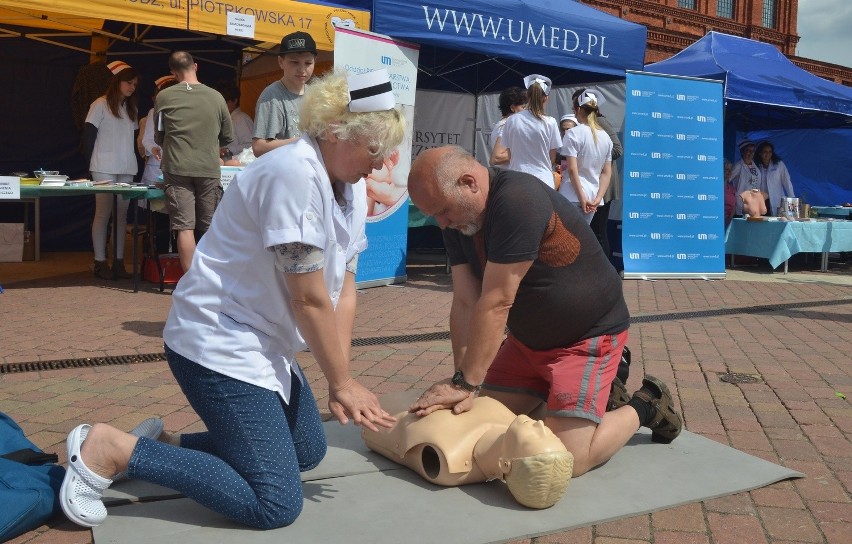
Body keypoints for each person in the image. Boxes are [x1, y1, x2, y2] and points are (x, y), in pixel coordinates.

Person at [58, 68, 406, 530]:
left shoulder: (352, 186)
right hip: (216, 340)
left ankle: (168, 443)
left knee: (307, 449)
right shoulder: (292, 175)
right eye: (375, 150)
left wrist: (340, 376)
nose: (381, 165)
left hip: (264, 338)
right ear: (337, 132)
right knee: (275, 504)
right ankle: (111, 449)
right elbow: (308, 299)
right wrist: (340, 383)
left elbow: (341, 292)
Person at [406, 146, 682, 478]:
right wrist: (460, 381)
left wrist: (467, 383)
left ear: (469, 183)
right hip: (527, 344)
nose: (441, 223)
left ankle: (646, 403)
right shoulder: (458, 221)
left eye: (443, 211)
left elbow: (496, 301)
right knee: (479, 419)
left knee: (567, 457)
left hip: (586, 338)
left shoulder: (516, 200)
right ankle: (589, 398)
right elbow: (466, 301)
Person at [362, 390, 573, 509]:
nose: (539, 425)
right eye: (548, 433)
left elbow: (390, 432)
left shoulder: (448, 460)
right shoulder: (511, 424)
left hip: (390, 408)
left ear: (505, 463)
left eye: (536, 436)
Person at [155, 51, 233, 272]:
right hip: (208, 168)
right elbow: (227, 136)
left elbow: (159, 136)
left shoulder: (164, 97)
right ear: (195, 66)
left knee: (184, 226)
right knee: (209, 227)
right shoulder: (216, 97)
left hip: (177, 167)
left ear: (172, 72)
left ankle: (190, 281)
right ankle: (210, 279)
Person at [81, 60, 140, 280]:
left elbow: (132, 139)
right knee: (103, 213)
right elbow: (87, 136)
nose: (132, 87)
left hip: (126, 167)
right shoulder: (100, 104)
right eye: (128, 82)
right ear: (117, 81)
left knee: (122, 216)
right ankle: (99, 261)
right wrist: (91, 164)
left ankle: (118, 262)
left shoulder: (130, 108)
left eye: (134, 84)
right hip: (103, 167)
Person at [252, 31, 316, 158]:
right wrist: (301, 142)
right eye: (294, 62)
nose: (302, 69)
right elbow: (258, 147)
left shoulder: (316, 95)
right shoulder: (272, 97)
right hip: (284, 173)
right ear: (281, 62)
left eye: (308, 63)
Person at [558, 89, 613, 225]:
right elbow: (607, 173)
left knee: (566, 241)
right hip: (592, 198)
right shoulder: (606, 138)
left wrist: (582, 199)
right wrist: (598, 198)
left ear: (578, 109)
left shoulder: (573, 134)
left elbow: (572, 170)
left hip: (571, 196)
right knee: (581, 241)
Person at [501, 74, 562, 188]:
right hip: (544, 180)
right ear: (546, 98)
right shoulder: (550, 122)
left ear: (527, 95)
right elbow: (552, 157)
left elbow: (510, 154)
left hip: (517, 180)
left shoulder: (511, 120)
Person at [138, 75, 177, 186]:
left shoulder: (187, 112)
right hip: (156, 167)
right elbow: (147, 139)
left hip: (179, 168)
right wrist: (153, 148)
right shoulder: (154, 111)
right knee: (155, 202)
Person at [214, 79, 255, 160]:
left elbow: (252, 145)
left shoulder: (242, 118)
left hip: (238, 167)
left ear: (234, 101)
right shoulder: (225, 119)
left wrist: (228, 150)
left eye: (223, 102)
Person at [488, 86, 526, 166]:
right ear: (512, 108)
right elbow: (496, 158)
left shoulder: (506, 124)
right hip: (509, 176)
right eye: (523, 107)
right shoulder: (507, 125)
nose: (526, 111)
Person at [756, 140, 795, 216]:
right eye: (765, 152)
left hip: (776, 200)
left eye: (770, 151)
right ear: (760, 153)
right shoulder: (756, 166)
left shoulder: (779, 164)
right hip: (761, 201)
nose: (768, 154)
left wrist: (792, 201)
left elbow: (787, 183)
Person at [730, 140, 762, 215]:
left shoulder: (755, 167)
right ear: (742, 152)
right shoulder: (738, 166)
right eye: (748, 150)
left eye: (753, 151)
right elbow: (727, 179)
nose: (751, 153)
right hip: (741, 202)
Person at [723, 159, 737, 228]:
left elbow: (734, 206)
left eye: (730, 170)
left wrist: (729, 222)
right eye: (726, 169)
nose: (729, 172)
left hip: (729, 225)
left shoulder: (732, 189)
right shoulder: (713, 188)